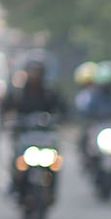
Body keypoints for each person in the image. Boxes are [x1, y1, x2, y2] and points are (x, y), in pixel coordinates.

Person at [1, 57, 68, 194]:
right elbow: (6, 108)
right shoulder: (18, 93)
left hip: (45, 134)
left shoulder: (50, 92)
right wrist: (9, 121)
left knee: (55, 161)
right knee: (17, 157)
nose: (35, 75)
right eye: (32, 71)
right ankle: (15, 183)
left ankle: (52, 185)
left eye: (38, 72)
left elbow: (63, 108)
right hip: (24, 133)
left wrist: (61, 118)